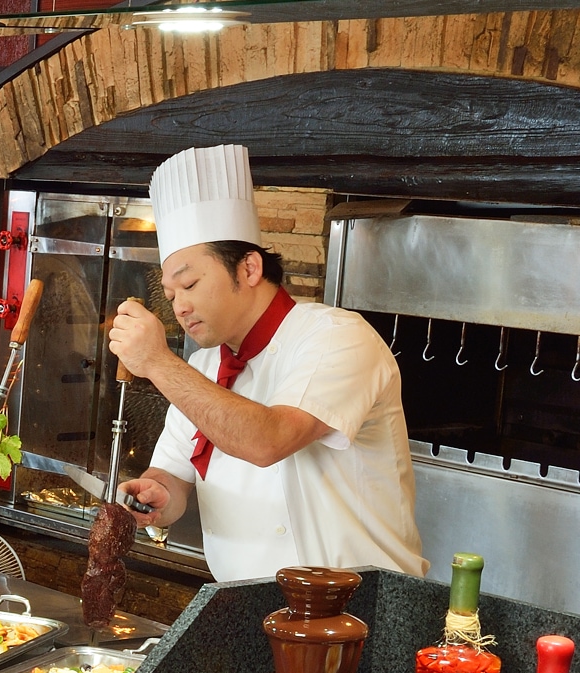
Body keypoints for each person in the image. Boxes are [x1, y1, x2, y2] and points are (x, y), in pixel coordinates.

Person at [106, 144, 424, 581]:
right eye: (172, 293)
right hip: (247, 607)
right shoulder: (201, 368)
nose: (179, 306)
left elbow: (268, 440)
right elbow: (175, 476)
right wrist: (156, 493)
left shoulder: (335, 336)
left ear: (249, 268)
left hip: (353, 610)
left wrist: (157, 362)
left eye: (191, 283)